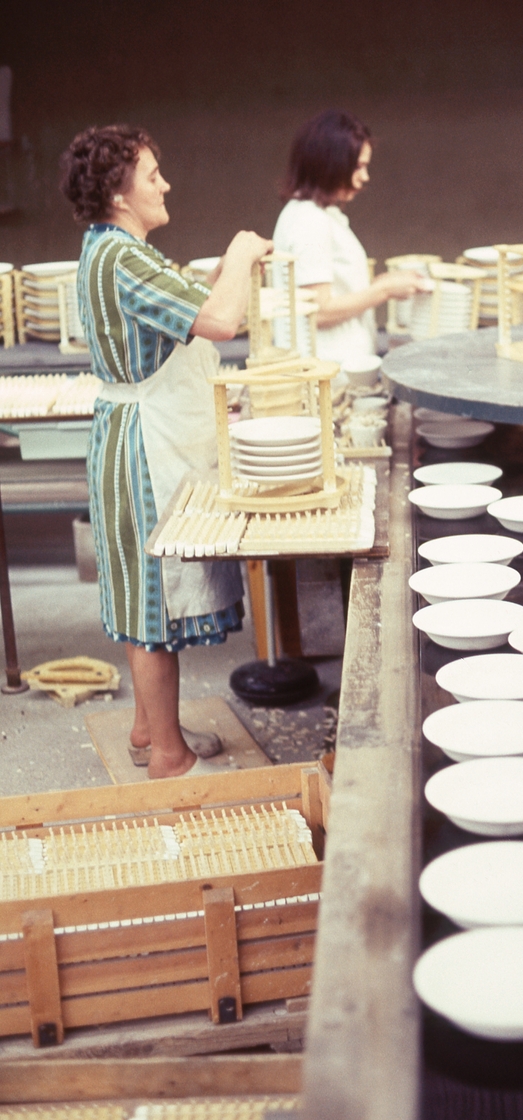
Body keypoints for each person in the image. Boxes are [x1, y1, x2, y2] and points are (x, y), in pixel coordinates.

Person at [60, 124, 272, 780]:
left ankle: (149, 730)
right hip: (142, 449)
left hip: (135, 436)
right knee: (151, 605)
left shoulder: (115, 251)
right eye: (153, 175)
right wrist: (241, 253)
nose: (165, 185)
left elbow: (193, 306)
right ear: (119, 195)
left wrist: (225, 273)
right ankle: (169, 759)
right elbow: (220, 321)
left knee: (141, 597)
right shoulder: (122, 259)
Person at [272, 108, 427, 363]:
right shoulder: (309, 220)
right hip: (329, 371)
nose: (365, 177)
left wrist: (381, 283)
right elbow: (319, 311)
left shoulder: (315, 214)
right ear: (330, 164)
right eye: (358, 167)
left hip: (339, 367)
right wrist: (384, 290)